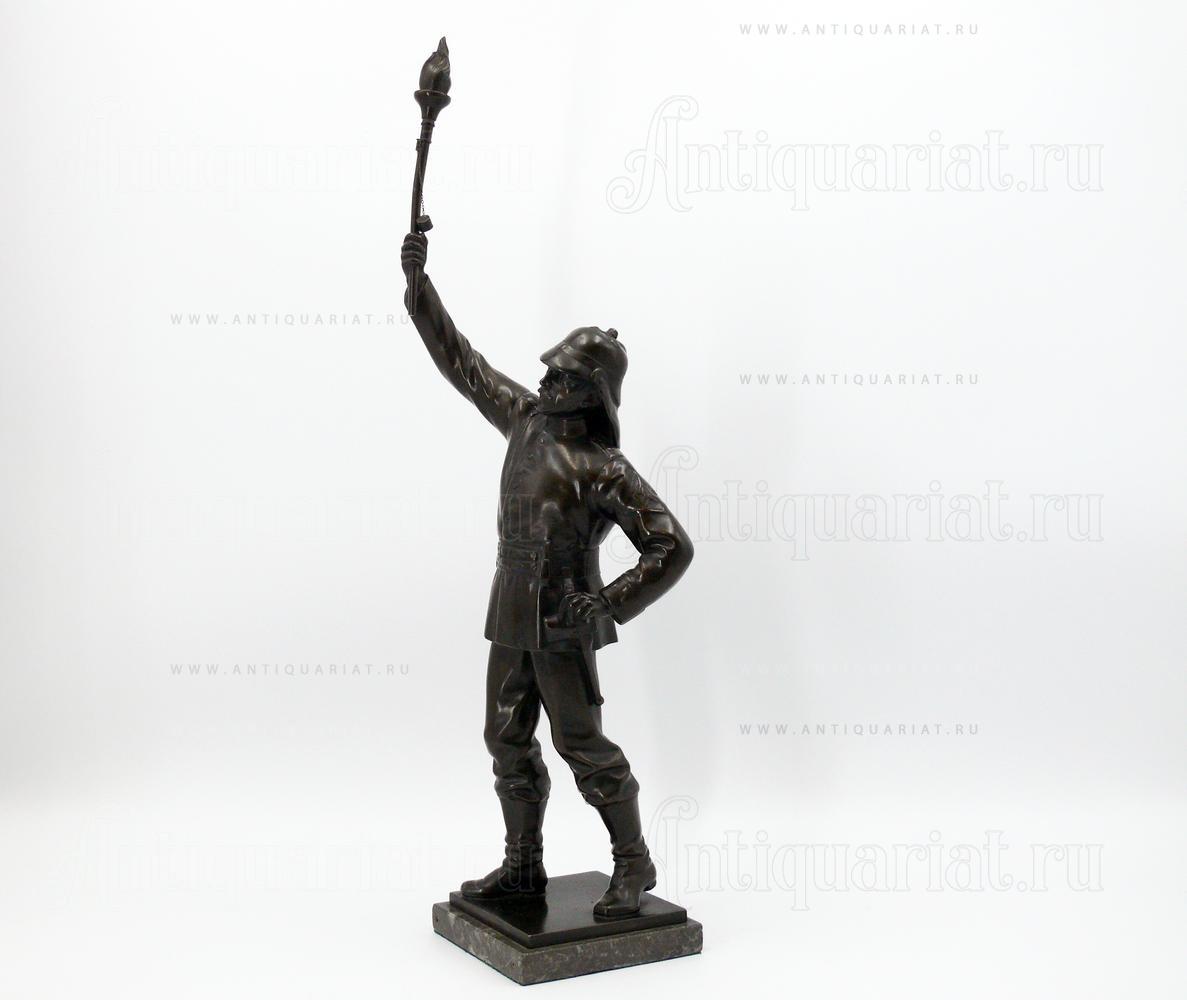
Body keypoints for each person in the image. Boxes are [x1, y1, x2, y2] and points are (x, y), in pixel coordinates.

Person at [401, 231, 694, 916]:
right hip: (509, 608)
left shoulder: (605, 468)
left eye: (561, 377)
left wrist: (610, 604)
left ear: (591, 393)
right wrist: (420, 289)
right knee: (504, 737)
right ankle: (522, 866)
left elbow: (670, 546)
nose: (544, 382)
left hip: (564, 619)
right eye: (548, 372)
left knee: (581, 744)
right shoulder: (525, 421)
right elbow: (463, 363)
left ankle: (633, 862)